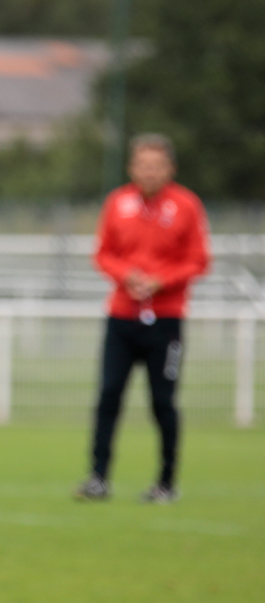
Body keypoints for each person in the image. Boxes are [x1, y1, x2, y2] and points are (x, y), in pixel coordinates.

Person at [75, 134, 210, 504]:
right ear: (131, 167)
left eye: (157, 165)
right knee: (108, 396)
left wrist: (161, 281)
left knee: (163, 402)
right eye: (143, 165)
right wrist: (126, 276)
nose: (149, 172)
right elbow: (103, 254)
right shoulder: (117, 203)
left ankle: (166, 483)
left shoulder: (186, 205)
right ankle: (98, 478)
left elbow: (198, 260)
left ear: (171, 168)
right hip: (122, 317)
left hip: (166, 320)